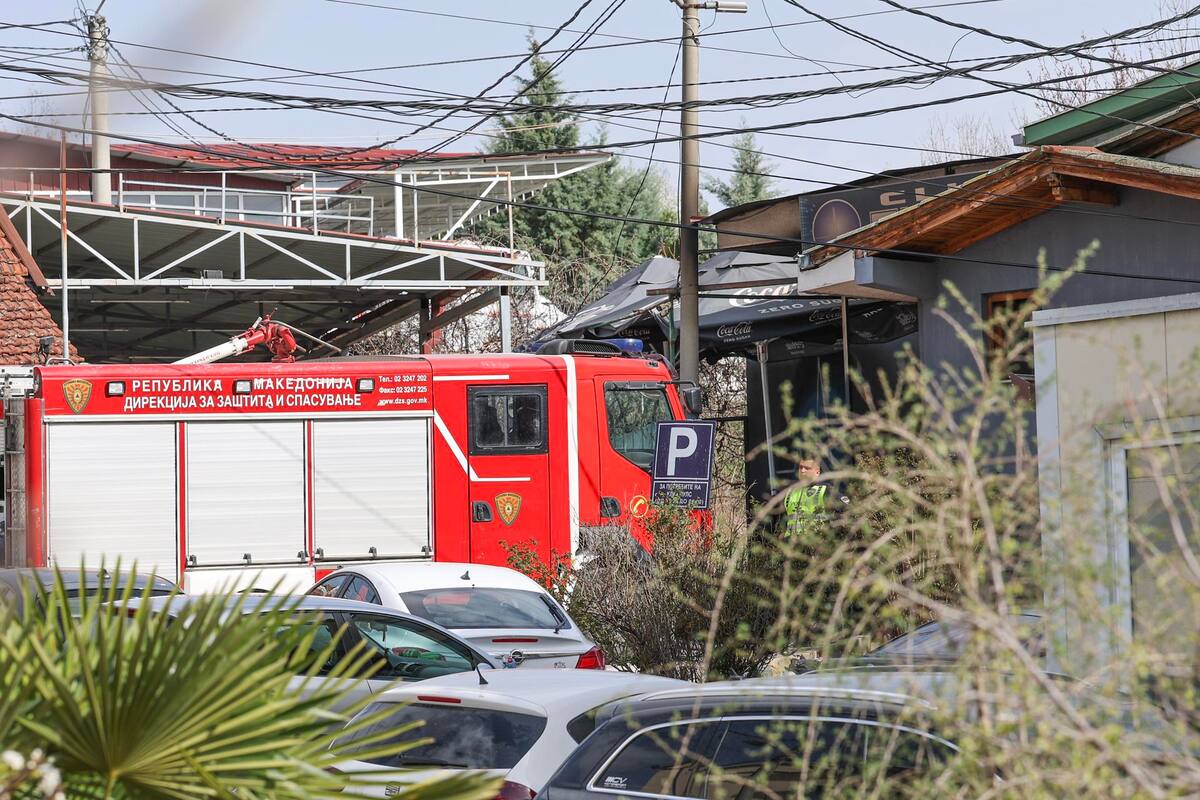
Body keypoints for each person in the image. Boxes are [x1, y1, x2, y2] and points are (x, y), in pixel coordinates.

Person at [782, 458, 849, 537]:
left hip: (817, 543)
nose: (802, 471)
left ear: (817, 471)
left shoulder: (826, 489)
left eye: (807, 468)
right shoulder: (790, 492)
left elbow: (847, 510)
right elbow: (782, 520)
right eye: (801, 468)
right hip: (791, 544)